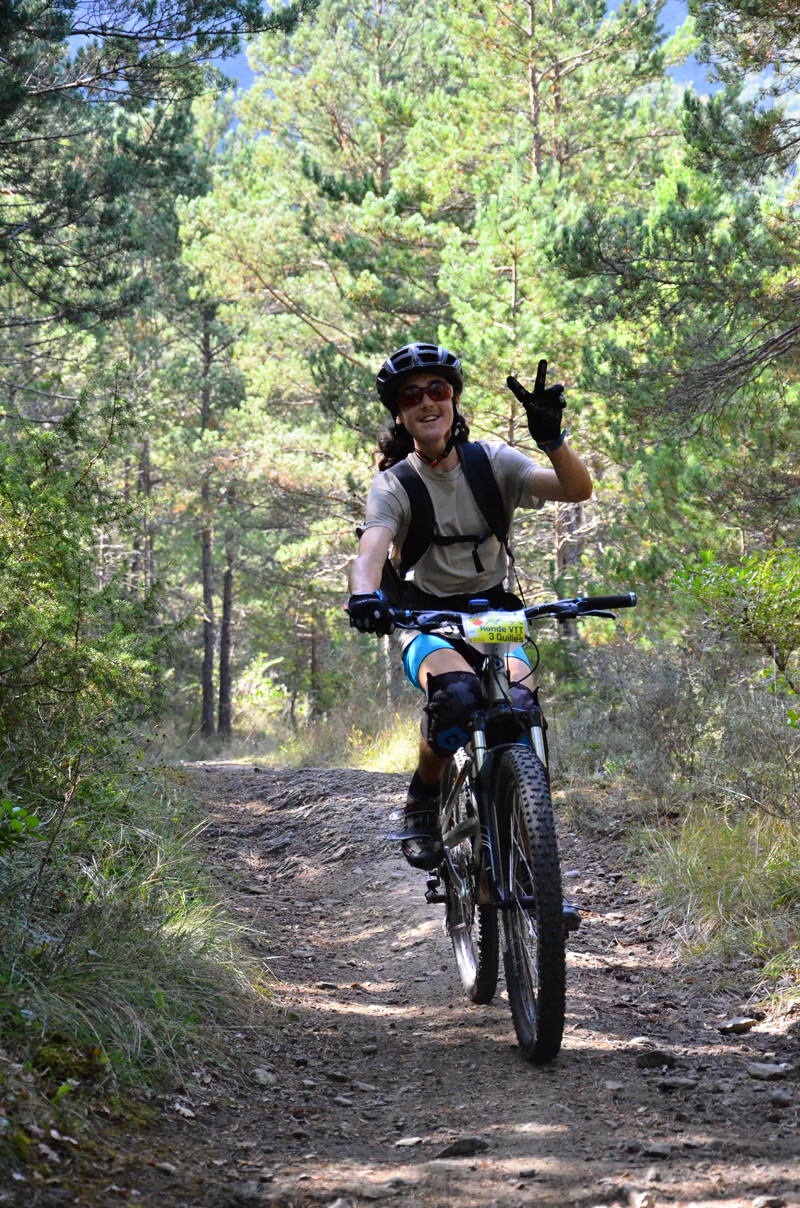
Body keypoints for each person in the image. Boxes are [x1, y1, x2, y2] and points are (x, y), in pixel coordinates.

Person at [347, 342, 592, 896]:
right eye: (412, 396)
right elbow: (370, 553)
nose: (427, 402)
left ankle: (531, 866)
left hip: (496, 613)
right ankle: (424, 796)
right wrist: (365, 597)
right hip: (428, 618)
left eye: (437, 390)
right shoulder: (395, 485)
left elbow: (577, 491)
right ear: (399, 413)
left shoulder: (493, 462)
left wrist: (552, 440)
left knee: (519, 710)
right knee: (457, 699)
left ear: (453, 398)